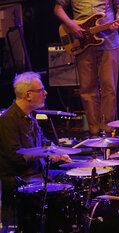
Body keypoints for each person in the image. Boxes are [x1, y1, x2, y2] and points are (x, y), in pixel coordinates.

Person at [54, 0, 119, 136]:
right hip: (83, 42)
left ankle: (109, 132)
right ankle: (95, 132)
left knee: (109, 88)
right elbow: (58, 8)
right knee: (87, 89)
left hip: (109, 42)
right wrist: (71, 26)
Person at [0, 72, 71, 230]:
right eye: (41, 90)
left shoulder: (30, 117)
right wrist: (47, 155)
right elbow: (15, 157)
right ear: (28, 95)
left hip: (37, 173)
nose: (45, 93)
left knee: (71, 177)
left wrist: (57, 152)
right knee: (56, 191)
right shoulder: (8, 120)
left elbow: (43, 144)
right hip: (21, 179)